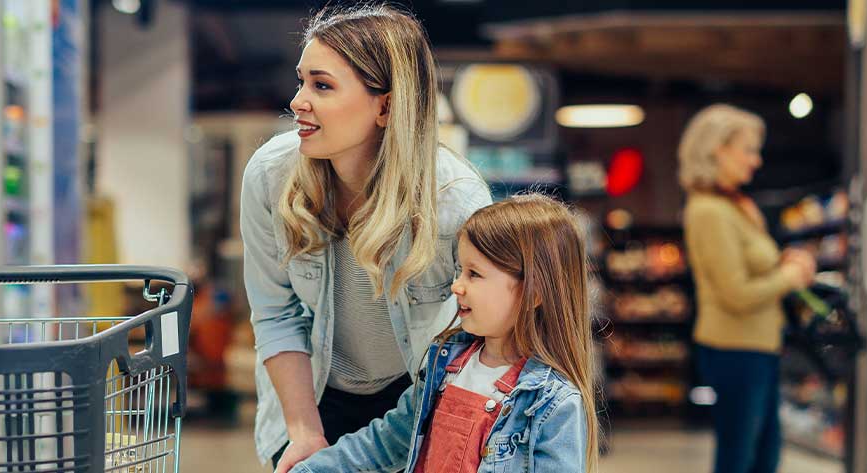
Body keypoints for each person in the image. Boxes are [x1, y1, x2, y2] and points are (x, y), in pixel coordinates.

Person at [239, 4, 493, 471]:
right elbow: (275, 312)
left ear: (387, 105)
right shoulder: (272, 177)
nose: (298, 100)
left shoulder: (455, 203)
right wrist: (303, 432)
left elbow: (477, 338)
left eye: (322, 85)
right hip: (312, 398)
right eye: (301, 81)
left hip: (417, 399)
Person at [282, 194, 599, 473]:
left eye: (474, 274)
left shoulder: (552, 402)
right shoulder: (443, 363)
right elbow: (388, 439)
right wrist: (312, 468)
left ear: (534, 292)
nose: (456, 285)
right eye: (460, 270)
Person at [679, 104, 816, 473]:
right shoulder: (709, 210)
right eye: (748, 149)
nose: (755, 161)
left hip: (757, 346)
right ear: (717, 149)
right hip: (735, 347)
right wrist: (788, 278)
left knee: (762, 454)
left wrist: (784, 264)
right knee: (740, 456)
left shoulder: (735, 205)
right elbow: (735, 293)